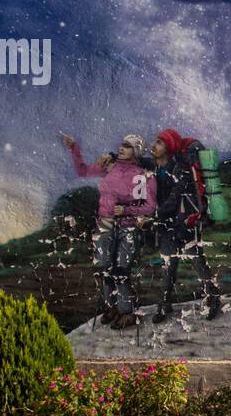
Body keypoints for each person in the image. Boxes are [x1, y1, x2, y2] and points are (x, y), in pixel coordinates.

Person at [61, 132, 157, 329]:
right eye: (122, 145)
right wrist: (74, 149)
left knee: (121, 270)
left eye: (127, 146)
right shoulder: (110, 168)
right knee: (105, 269)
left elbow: (148, 206)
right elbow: (82, 171)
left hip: (127, 228)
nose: (122, 148)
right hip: (104, 225)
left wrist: (127, 209)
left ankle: (126, 312)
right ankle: (110, 307)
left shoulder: (140, 175)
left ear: (136, 151)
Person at [147, 129, 222, 323]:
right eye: (155, 142)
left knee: (197, 262)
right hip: (165, 224)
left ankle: (213, 299)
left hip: (184, 222)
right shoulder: (154, 168)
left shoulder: (180, 169)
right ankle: (164, 304)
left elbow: (174, 198)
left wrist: (153, 214)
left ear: (169, 147)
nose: (154, 146)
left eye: (159, 143)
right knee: (168, 266)